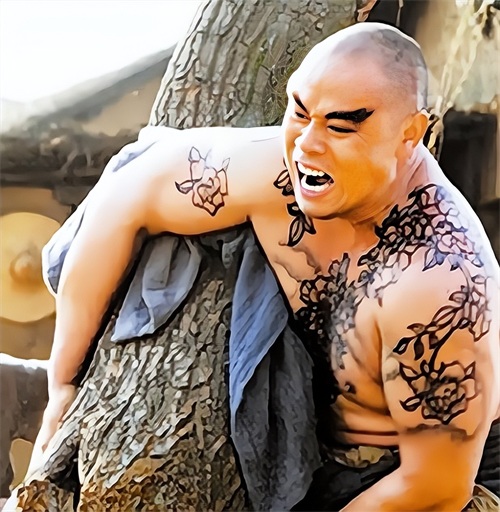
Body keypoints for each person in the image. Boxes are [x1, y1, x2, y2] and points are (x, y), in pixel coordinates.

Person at [15, 22, 500, 511]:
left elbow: (436, 485)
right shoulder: (274, 172)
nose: (307, 145)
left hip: (427, 476)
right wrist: (63, 384)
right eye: (299, 111)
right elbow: (127, 195)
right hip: (323, 444)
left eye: (340, 126)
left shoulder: (442, 280)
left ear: (410, 134)